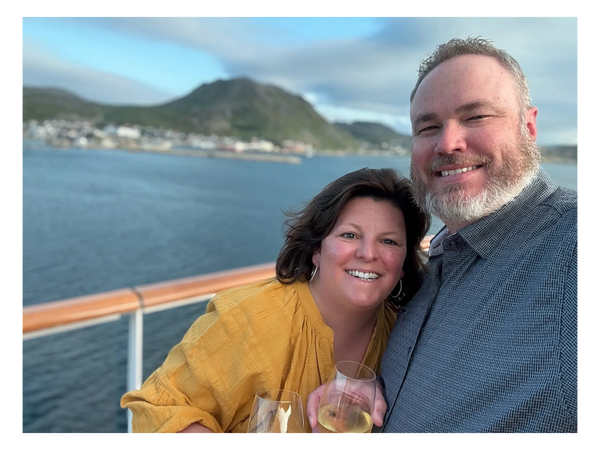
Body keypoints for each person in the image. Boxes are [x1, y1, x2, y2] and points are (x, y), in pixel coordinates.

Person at [308, 36, 580, 436]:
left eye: (476, 117)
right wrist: (375, 390)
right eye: (428, 127)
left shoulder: (569, 246)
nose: (448, 143)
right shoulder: (441, 258)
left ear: (528, 125)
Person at [120, 167, 431, 436]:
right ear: (317, 250)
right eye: (349, 235)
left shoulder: (405, 335)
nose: (368, 253)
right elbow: (161, 406)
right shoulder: (248, 319)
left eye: (388, 241)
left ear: (403, 263)